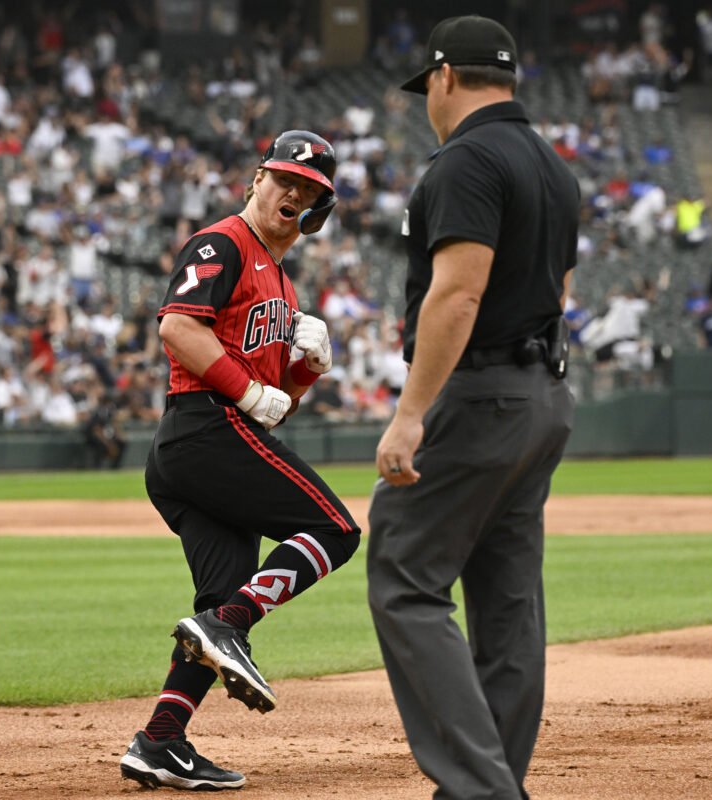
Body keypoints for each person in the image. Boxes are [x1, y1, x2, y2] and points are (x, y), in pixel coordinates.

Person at [367, 16, 577, 800]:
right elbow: (559, 294)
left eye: (430, 86)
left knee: (404, 575)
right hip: (543, 395)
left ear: (446, 77)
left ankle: (484, 792)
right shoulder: (552, 166)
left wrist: (411, 411)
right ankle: (489, 786)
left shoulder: (469, 160)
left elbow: (458, 293)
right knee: (509, 603)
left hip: (481, 392)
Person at [119, 130, 361, 791]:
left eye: (309, 191)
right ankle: (229, 625)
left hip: (206, 443)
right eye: (284, 179)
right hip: (204, 429)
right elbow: (177, 326)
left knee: (219, 597)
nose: (294, 193)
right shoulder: (222, 243)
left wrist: (303, 373)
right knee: (337, 531)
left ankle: (161, 740)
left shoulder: (281, 278)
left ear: (317, 212)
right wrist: (254, 389)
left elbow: (276, 407)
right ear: (257, 179)